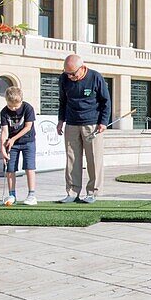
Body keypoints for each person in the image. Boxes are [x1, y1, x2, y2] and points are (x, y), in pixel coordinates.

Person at [57, 53, 111, 204]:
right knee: (71, 159)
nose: (70, 77)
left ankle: (93, 192)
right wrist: (61, 120)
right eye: (67, 73)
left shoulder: (95, 77)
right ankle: (72, 192)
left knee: (94, 159)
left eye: (73, 74)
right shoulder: (64, 79)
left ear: (83, 68)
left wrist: (103, 122)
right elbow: (63, 100)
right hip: (72, 123)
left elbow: (106, 101)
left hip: (92, 123)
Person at [0, 87, 37, 206]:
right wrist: (2, 149)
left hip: (27, 141)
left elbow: (27, 127)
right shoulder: (4, 112)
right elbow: (4, 131)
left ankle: (31, 195)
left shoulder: (28, 108)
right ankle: (12, 194)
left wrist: (13, 138)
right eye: (11, 106)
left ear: (21, 101)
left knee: (29, 167)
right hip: (12, 144)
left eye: (16, 106)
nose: (14, 109)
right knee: (10, 168)